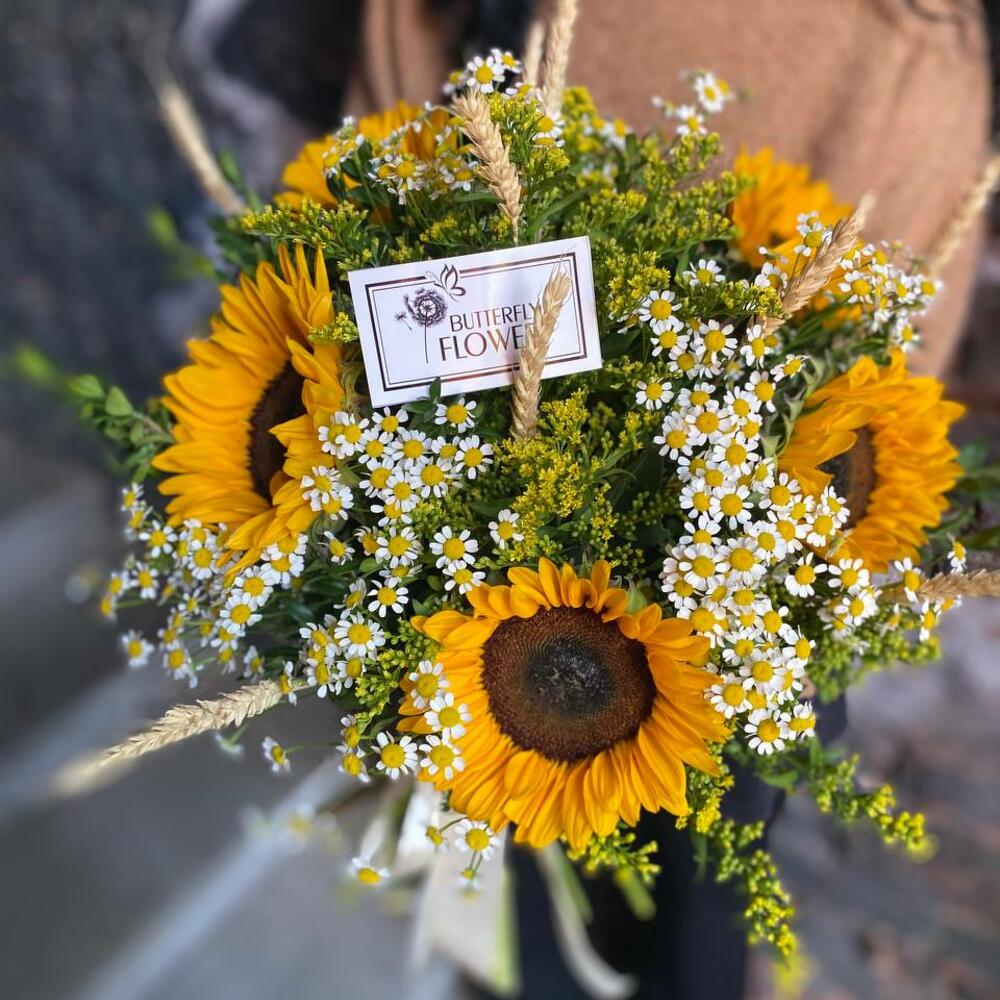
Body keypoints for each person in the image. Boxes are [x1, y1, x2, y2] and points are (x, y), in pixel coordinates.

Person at [342, 0, 993, 378]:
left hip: (715, 543)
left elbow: (875, 395)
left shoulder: (918, 51)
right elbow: (362, 256)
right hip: (448, 500)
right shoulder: (447, 11)